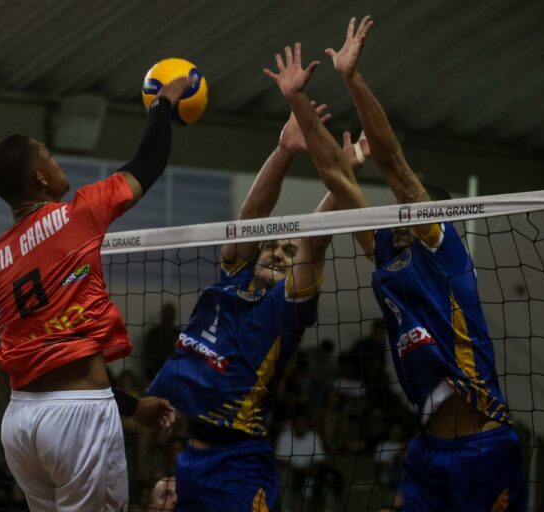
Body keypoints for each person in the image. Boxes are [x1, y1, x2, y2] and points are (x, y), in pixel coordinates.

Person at [147, 51, 372, 509]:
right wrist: (285, 150)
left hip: (238, 460)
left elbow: (311, 242)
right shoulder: (234, 276)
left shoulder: (288, 307)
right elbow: (252, 217)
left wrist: (342, 178)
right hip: (190, 456)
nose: (278, 250)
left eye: (287, 252)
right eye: (273, 245)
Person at [325, 16, 525, 510]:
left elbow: (392, 162)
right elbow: (339, 184)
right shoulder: (390, 254)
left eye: (403, 210)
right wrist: (298, 111)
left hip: (482, 445)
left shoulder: (443, 249)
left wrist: (352, 79)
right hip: (427, 447)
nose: (394, 213)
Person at [0, 75, 191, 511]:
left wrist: (132, 406)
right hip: (78, 418)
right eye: (51, 156)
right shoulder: (78, 213)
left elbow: (49, 361)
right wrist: (163, 104)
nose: (58, 164)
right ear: (40, 176)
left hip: (20, 423)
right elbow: (146, 164)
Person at [142, 303, 181, 382]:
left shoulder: (179, 335)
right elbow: (148, 358)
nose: (169, 316)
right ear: (162, 314)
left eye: (171, 313)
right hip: (155, 377)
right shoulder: (154, 334)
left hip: (175, 378)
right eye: (167, 313)